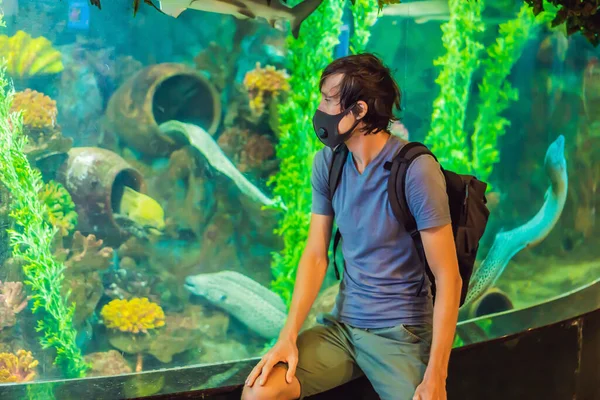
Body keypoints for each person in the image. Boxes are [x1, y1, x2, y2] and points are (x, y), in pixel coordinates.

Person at [241, 53, 462, 400]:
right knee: (260, 391)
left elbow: (449, 276)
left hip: (400, 332)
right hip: (341, 329)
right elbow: (315, 255)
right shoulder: (328, 163)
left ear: (358, 111)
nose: (320, 109)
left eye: (329, 100)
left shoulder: (416, 171)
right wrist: (287, 335)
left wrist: (437, 375)